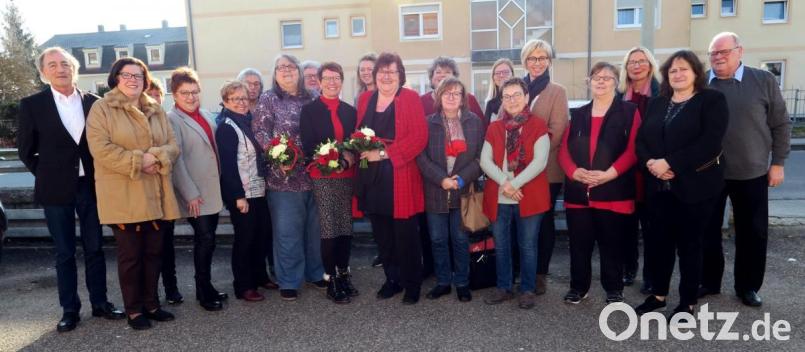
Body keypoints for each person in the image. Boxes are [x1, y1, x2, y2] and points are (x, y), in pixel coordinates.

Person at [17, 47, 124, 333]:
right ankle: (70, 310)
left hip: (90, 185)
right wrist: (47, 175)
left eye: (64, 63)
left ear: (74, 68)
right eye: (52, 64)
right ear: (43, 73)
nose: (60, 68)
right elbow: (25, 150)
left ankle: (100, 303)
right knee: (64, 252)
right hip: (55, 190)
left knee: (95, 248)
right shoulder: (32, 105)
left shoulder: (95, 103)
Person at [86, 57, 180, 330]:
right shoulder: (102, 108)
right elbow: (101, 149)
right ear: (116, 77)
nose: (132, 80)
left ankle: (152, 304)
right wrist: (142, 161)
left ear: (145, 80)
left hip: (156, 192)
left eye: (138, 76)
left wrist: (158, 157)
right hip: (124, 193)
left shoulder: (155, 109)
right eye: (127, 75)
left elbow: (172, 145)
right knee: (131, 256)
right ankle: (134, 310)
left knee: (154, 252)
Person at [634, 50, 729, 320]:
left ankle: (687, 302)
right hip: (659, 187)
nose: (678, 74)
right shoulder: (657, 103)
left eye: (683, 69)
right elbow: (642, 141)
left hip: (695, 187)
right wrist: (651, 163)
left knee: (690, 245)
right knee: (659, 243)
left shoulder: (711, 100)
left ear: (696, 73)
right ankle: (659, 295)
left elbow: (710, 143)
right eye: (673, 70)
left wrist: (670, 163)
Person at [702, 32, 792, 307]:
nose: (718, 57)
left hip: (751, 172)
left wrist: (777, 162)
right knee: (706, 230)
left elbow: (781, 124)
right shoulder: (702, 84)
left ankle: (748, 286)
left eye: (724, 51)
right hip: (709, 172)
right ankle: (709, 281)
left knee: (752, 232)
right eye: (713, 53)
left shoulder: (763, 80)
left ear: (739, 51)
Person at [558, 62, 641, 305]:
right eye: (596, 77)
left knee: (612, 244)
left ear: (617, 82)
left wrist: (610, 174)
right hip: (579, 190)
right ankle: (578, 287)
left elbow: (634, 149)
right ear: (589, 82)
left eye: (608, 77)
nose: (601, 81)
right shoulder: (579, 113)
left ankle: (613, 289)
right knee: (579, 245)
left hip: (614, 189)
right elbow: (563, 150)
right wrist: (574, 172)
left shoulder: (628, 111)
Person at [355, 52, 427, 304]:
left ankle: (412, 284)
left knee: (405, 235)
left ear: (400, 75)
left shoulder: (411, 99)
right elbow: (358, 130)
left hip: (400, 175)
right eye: (382, 72)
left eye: (392, 71)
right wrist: (359, 146)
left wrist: (383, 153)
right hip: (371, 177)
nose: (386, 76)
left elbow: (419, 137)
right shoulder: (365, 99)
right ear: (374, 76)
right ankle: (392, 279)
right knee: (382, 235)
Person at [253, 54, 325, 301]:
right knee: (287, 232)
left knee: (315, 230)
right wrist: (277, 155)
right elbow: (261, 131)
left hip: (315, 175)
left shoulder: (314, 97)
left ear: (299, 72)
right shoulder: (268, 99)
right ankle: (290, 280)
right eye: (280, 67)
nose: (286, 71)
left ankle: (316, 273)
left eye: (290, 66)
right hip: (283, 178)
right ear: (274, 74)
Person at [480, 77, 550, 309]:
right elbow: (485, 161)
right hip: (499, 195)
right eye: (507, 96)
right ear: (501, 100)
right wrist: (504, 182)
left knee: (528, 245)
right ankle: (504, 287)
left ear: (526, 97)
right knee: (501, 244)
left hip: (529, 195)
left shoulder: (538, 125)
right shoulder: (494, 127)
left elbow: (540, 162)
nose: (512, 100)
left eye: (516, 95)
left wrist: (514, 184)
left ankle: (527, 289)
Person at [166, 67, 232, 311]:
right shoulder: (171, 119)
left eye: (195, 92)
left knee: (209, 239)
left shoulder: (204, 114)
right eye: (185, 93)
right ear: (174, 94)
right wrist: (190, 193)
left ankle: (209, 286)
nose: (191, 97)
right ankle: (203, 291)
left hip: (212, 188)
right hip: (194, 193)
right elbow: (176, 160)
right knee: (204, 239)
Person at [416, 77, 483, 302]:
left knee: (460, 239)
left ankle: (462, 282)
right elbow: (421, 157)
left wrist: (461, 179)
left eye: (457, 93)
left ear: (464, 98)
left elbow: (481, 157)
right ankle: (443, 281)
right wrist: (441, 179)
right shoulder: (427, 123)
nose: (452, 97)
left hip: (463, 191)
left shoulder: (474, 122)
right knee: (437, 239)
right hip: (436, 190)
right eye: (447, 93)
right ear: (439, 96)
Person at [299, 62, 359, 304]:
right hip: (323, 176)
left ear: (342, 81)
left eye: (336, 78)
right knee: (329, 228)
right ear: (319, 82)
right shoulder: (310, 111)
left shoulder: (349, 110)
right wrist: (333, 160)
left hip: (346, 175)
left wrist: (347, 160)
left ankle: (344, 273)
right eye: (327, 78)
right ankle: (331, 279)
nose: (332, 82)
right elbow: (309, 145)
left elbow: (355, 142)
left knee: (345, 226)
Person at [519, 39, 569, 295]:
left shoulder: (556, 91)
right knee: (522, 219)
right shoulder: (517, 88)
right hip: (517, 170)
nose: (536, 63)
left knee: (543, 221)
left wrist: (530, 157)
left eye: (541, 58)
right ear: (525, 61)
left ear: (549, 61)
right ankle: (523, 269)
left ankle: (540, 273)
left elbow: (557, 130)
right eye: (532, 58)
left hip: (546, 169)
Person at [216, 81, 273, 302]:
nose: (241, 103)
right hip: (242, 194)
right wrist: (238, 197)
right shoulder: (227, 127)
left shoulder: (250, 121)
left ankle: (260, 276)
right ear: (225, 102)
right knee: (245, 239)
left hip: (259, 190)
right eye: (235, 99)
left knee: (262, 235)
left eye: (244, 98)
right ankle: (243, 285)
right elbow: (228, 167)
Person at [617, 46, 661, 292]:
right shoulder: (620, 94)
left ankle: (651, 275)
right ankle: (629, 267)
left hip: (650, 168)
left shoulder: (660, 94)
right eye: (632, 61)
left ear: (650, 64)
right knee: (627, 225)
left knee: (652, 225)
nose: (637, 65)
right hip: (625, 169)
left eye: (642, 61)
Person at [236, 68, 277, 282]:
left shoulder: (266, 108)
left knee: (268, 227)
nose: (253, 87)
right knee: (250, 231)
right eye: (248, 83)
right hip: (245, 181)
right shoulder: (234, 113)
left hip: (269, 176)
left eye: (257, 84)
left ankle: (269, 269)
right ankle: (250, 275)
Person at [420, 56, 486, 129]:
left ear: (454, 77)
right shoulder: (421, 101)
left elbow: (481, 127)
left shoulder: (469, 99)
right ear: (431, 77)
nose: (442, 75)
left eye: (447, 72)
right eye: (438, 72)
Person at [484, 58, 514, 123]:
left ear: (512, 75)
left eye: (505, 72)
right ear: (493, 78)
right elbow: (486, 129)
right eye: (497, 73)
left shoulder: (520, 99)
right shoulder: (490, 104)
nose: (501, 75)